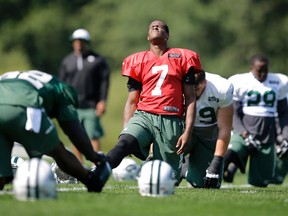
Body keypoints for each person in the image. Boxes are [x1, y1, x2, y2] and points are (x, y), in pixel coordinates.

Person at [106, 20, 203, 182]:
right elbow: (132, 101)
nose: (155, 27)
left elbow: (191, 98)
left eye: (160, 27)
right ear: (147, 36)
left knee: (168, 178)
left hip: (170, 119)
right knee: (123, 144)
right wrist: (126, 129)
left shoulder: (182, 58)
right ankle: (100, 169)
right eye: (152, 26)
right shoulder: (138, 60)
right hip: (144, 115)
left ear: (167, 35)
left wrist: (187, 132)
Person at [0, 70, 111, 192]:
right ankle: (91, 181)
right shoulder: (62, 89)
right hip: (24, 105)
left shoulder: (31, 78)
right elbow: (74, 131)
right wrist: (94, 157)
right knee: (57, 150)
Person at [223, 54, 288, 187]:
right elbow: (234, 113)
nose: (263, 74)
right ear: (252, 67)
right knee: (231, 152)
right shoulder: (240, 81)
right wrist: (243, 133)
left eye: (266, 70)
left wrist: (285, 136)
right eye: (260, 70)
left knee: (261, 183)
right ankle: (220, 172)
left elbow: (283, 113)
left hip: (267, 135)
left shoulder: (279, 81)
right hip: (243, 132)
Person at [59, 28, 110, 164]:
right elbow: (61, 84)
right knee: (75, 137)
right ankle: (79, 165)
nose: (78, 44)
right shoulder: (67, 61)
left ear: (87, 42)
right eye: (76, 41)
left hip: (91, 105)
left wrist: (102, 101)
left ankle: (97, 166)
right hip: (72, 106)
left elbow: (104, 82)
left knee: (93, 135)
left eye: (81, 41)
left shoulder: (98, 60)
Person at [180, 70, 234, 188]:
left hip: (208, 134)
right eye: (189, 90)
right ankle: (175, 167)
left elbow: (225, 128)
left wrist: (217, 161)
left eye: (196, 90)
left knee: (207, 184)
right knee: (163, 173)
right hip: (181, 131)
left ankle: (183, 169)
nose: (192, 94)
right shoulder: (174, 85)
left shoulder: (221, 89)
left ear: (204, 82)